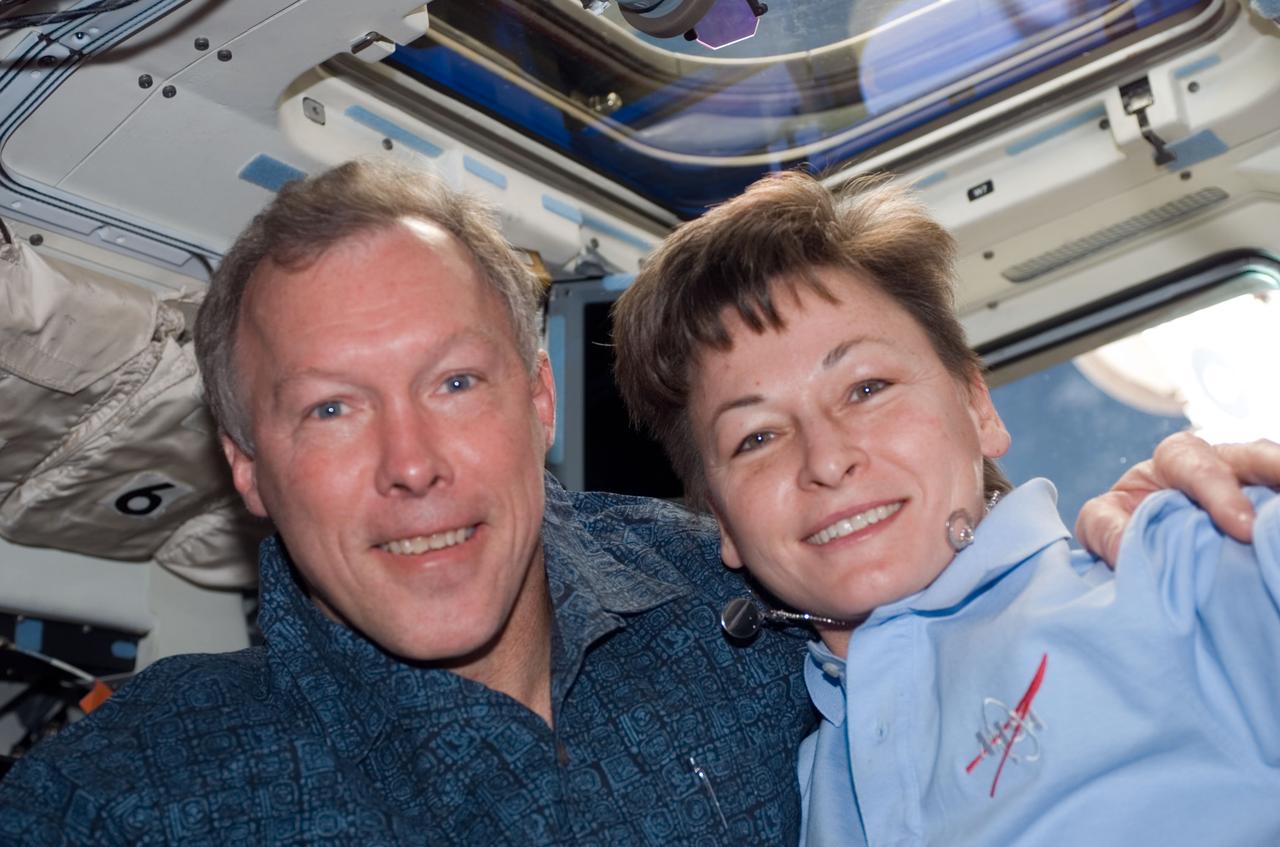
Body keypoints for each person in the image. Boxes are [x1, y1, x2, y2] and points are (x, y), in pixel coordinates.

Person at [0, 160, 1271, 845]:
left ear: (539, 411)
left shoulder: (754, 610)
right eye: (330, 408)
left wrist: (1175, 513)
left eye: (454, 381)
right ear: (248, 468)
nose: (411, 461)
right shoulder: (135, 794)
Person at [611, 169, 1280, 846]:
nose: (825, 459)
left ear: (978, 406)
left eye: (866, 387)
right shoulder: (797, 787)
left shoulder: (1190, 561)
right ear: (722, 521)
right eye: (756, 437)